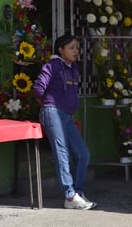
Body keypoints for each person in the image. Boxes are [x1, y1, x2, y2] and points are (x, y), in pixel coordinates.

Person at [33, 34, 97, 209]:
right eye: (71, 47)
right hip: (53, 112)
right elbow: (38, 88)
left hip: (67, 116)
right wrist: (48, 105)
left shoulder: (74, 68)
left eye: (77, 47)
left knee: (83, 154)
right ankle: (70, 196)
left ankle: (77, 191)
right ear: (60, 50)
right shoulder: (52, 65)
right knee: (62, 153)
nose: (76, 51)